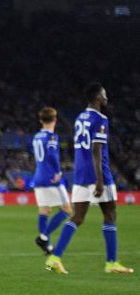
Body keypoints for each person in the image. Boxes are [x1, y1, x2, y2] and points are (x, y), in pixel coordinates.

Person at [45, 83, 132, 274]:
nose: (107, 98)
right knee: (110, 213)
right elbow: (97, 150)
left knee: (78, 217)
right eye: (105, 95)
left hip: (80, 173)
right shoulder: (100, 119)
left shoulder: (79, 118)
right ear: (98, 98)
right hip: (97, 174)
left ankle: (54, 257)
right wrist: (99, 180)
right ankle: (111, 263)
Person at [31, 107, 71, 255]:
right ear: (55, 120)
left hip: (38, 177)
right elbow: (53, 155)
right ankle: (43, 237)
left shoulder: (36, 137)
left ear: (41, 120)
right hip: (50, 177)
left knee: (44, 210)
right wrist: (58, 172)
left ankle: (47, 247)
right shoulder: (52, 137)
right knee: (66, 209)